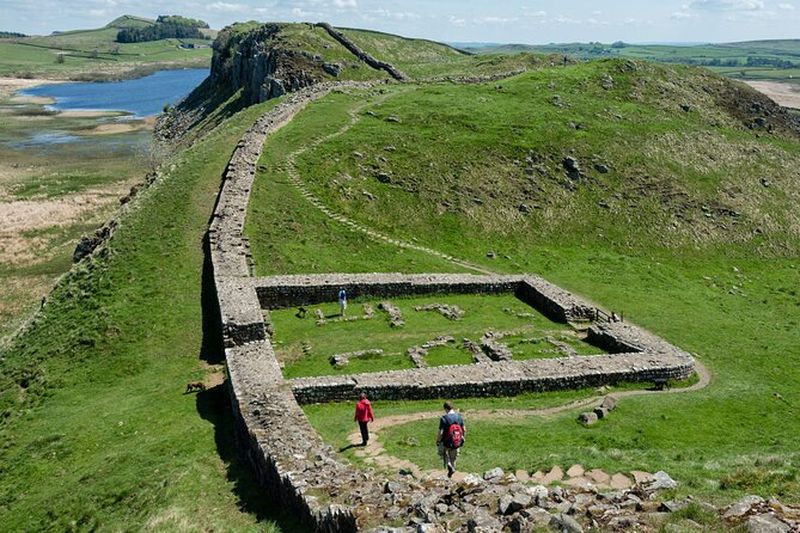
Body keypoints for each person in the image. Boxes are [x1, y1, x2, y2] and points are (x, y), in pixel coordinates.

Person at [436, 401, 465, 478]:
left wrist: (438, 441)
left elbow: (441, 432)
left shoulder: (444, 418)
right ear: (452, 407)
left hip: (446, 441)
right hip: (456, 441)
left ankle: (448, 464)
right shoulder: (459, 417)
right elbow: (464, 429)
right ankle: (453, 473)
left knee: (442, 452)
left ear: (445, 408)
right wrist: (462, 437)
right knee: (454, 457)